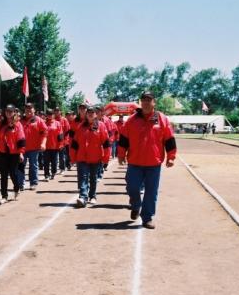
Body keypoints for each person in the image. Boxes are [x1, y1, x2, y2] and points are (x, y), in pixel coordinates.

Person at [118, 91, 177, 229]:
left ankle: (147, 217)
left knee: (151, 192)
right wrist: (121, 154)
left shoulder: (162, 119)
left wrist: (171, 157)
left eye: (149, 100)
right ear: (140, 102)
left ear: (154, 103)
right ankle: (135, 205)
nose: (146, 102)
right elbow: (124, 139)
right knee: (132, 187)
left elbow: (169, 139)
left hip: (153, 163)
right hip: (134, 162)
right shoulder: (132, 120)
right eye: (143, 100)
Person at [70, 105, 110, 207]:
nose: (90, 115)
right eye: (89, 113)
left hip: (95, 158)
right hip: (82, 158)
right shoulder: (81, 126)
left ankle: (92, 196)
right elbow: (74, 143)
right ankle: (83, 197)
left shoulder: (101, 126)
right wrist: (72, 157)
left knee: (93, 178)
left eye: (92, 113)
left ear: (96, 115)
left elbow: (106, 144)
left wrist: (106, 158)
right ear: (86, 115)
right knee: (83, 177)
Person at [0, 104, 26, 204]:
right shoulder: (1, 124)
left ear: (14, 112)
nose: (8, 113)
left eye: (11, 111)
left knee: (13, 173)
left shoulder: (18, 124)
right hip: (2, 153)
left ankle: (16, 187)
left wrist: (21, 153)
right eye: (7, 111)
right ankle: (4, 196)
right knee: (3, 175)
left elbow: (21, 140)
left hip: (14, 153)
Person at [18, 103, 47, 191]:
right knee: (20, 166)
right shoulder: (20, 120)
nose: (28, 111)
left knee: (33, 166)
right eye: (27, 109)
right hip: (22, 148)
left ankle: (33, 182)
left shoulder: (38, 120)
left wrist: (43, 143)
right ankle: (20, 184)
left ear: (34, 110)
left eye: (30, 109)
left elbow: (45, 132)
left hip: (34, 148)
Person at [44, 109, 63, 181]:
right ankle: (46, 175)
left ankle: (53, 173)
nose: (50, 115)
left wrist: (61, 144)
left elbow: (60, 135)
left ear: (54, 115)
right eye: (48, 114)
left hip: (55, 146)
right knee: (46, 162)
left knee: (54, 162)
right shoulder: (44, 123)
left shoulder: (57, 123)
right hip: (46, 146)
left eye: (51, 114)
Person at [53, 107, 70, 175]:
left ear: (60, 112)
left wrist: (65, 140)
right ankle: (54, 168)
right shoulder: (53, 119)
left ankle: (62, 168)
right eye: (55, 111)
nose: (56, 112)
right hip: (54, 141)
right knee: (54, 156)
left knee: (61, 156)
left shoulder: (64, 119)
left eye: (58, 111)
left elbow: (67, 130)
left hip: (62, 141)